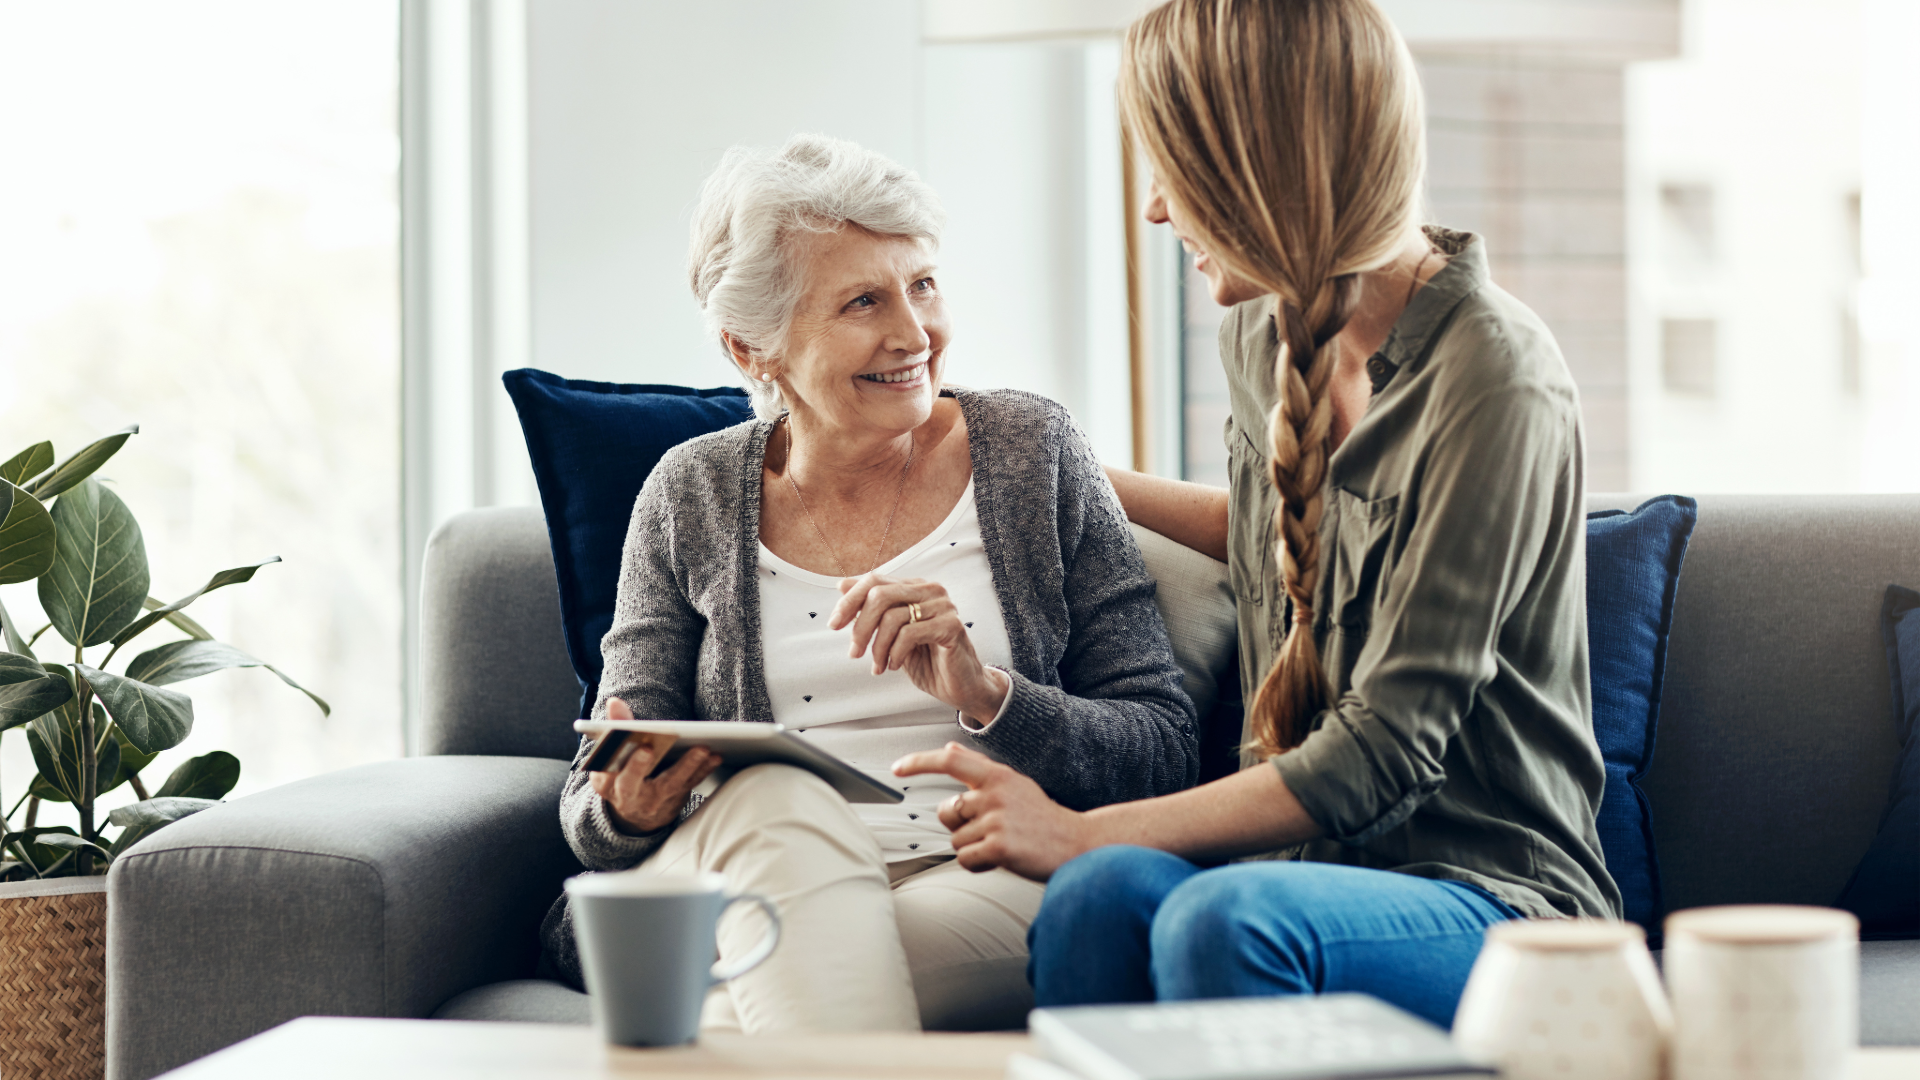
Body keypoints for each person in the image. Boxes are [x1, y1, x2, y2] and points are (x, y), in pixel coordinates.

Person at [894, 0, 1622, 1029]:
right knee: (1103, 904)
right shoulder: (1261, 338)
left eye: (1174, 171)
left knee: (1216, 919)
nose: (1155, 212)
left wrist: (1084, 830)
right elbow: (1266, 539)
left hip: (1493, 900)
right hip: (1286, 871)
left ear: (1262, 166)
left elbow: (1386, 750)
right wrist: (1051, 468)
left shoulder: (1494, 376)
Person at [542, 133, 1199, 1034]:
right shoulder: (686, 493)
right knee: (774, 800)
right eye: (862, 301)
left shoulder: (1031, 450)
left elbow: (1164, 747)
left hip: (969, 875)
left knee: (756, 1000)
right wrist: (625, 805)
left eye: (923, 284)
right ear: (751, 349)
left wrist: (990, 694)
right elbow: (595, 791)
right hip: (741, 868)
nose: (913, 333)